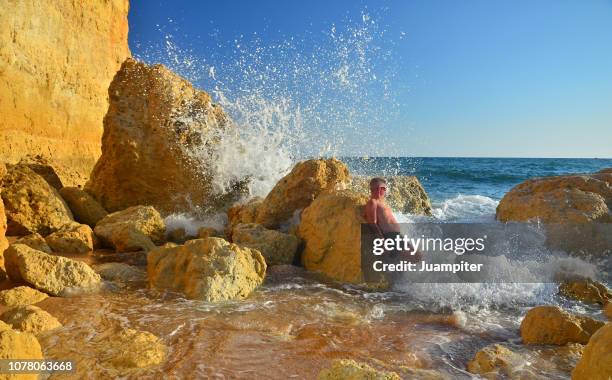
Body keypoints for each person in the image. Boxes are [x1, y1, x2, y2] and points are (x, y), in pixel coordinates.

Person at [364, 177, 421, 262]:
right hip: (389, 237)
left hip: (397, 236)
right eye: (385, 189)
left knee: (416, 257)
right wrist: (382, 241)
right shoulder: (373, 202)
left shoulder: (382, 203)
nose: (385, 191)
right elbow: (373, 223)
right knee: (410, 258)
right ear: (381, 189)